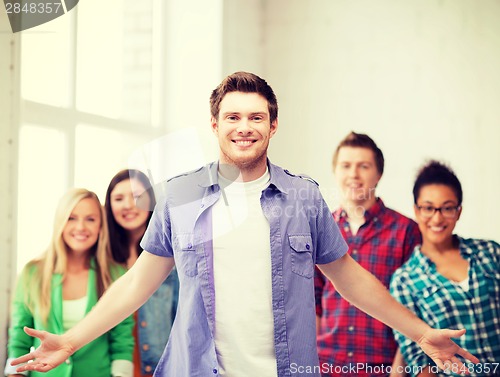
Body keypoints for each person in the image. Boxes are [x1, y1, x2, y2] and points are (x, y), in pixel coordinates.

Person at [11, 72, 478, 377]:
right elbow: (137, 284)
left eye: (256, 117)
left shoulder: (303, 196)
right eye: (232, 116)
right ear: (214, 124)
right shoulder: (181, 195)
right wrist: (71, 341)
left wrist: (420, 332)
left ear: (274, 125)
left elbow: (350, 278)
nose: (244, 126)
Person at [314, 132, 422, 376]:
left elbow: (413, 307)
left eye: (364, 166)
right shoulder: (321, 228)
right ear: (336, 172)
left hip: (382, 368)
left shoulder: (406, 231)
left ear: (378, 174)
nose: (354, 174)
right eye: (346, 166)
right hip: (328, 367)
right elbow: (314, 303)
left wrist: (398, 371)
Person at [4, 188, 134, 377]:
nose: (81, 227)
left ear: (100, 226)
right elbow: (19, 339)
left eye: (90, 219)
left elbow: (122, 341)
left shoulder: (115, 274)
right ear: (60, 222)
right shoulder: (32, 273)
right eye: (72, 218)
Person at [390, 161, 499, 377]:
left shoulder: (490, 252)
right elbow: (419, 362)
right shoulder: (404, 281)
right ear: (416, 211)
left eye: (447, 208)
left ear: (458, 211)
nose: (437, 218)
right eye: (428, 208)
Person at [105, 169, 179, 376]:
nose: (128, 205)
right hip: (113, 367)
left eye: (137, 197)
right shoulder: (103, 259)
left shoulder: (170, 259)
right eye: (119, 198)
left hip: (158, 367)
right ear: (109, 205)